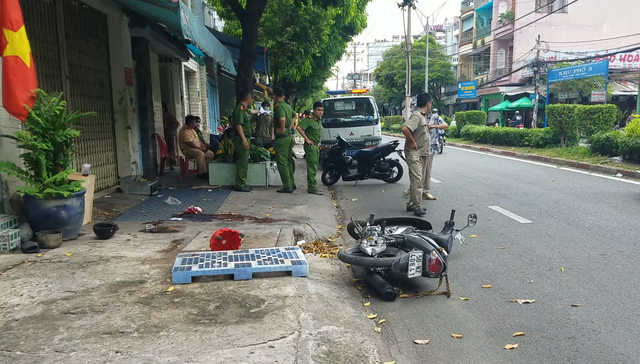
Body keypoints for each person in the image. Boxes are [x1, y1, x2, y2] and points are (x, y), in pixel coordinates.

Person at [402, 93, 432, 217]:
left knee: (417, 179)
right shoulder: (417, 115)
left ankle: (411, 203)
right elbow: (405, 128)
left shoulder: (422, 116)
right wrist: (412, 142)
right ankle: (417, 206)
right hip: (414, 153)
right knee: (417, 180)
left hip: (421, 153)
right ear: (428, 104)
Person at [297, 102, 324, 195]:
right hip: (311, 146)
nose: (320, 112)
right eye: (318, 110)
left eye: (322, 110)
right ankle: (312, 187)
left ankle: (313, 186)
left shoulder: (318, 120)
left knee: (314, 167)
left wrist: (319, 142)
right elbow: (299, 127)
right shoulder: (309, 120)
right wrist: (307, 139)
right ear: (314, 110)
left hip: (316, 146)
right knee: (312, 167)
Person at [273, 87, 296, 193]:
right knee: (288, 161)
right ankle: (292, 183)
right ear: (284, 96)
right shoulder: (287, 106)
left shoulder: (279, 107)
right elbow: (294, 116)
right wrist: (290, 127)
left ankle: (287, 186)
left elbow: (282, 119)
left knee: (282, 162)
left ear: (275, 96)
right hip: (289, 137)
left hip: (282, 138)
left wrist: (282, 129)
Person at [178, 115, 214, 179]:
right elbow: (189, 143)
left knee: (210, 154)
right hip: (187, 149)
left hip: (197, 148)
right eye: (194, 122)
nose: (195, 124)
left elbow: (198, 141)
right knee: (200, 153)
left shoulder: (193, 130)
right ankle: (202, 173)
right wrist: (200, 149)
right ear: (190, 123)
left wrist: (204, 146)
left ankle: (206, 171)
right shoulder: (184, 131)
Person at [232, 90, 254, 192]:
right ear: (248, 98)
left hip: (244, 138)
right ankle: (240, 184)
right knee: (242, 161)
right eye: (251, 99)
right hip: (241, 139)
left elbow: (251, 112)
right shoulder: (240, 110)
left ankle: (242, 182)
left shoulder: (244, 109)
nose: (251, 101)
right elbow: (239, 125)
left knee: (244, 161)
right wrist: (244, 139)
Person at [162, 102, 180, 169]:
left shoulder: (169, 115)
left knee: (170, 149)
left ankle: (172, 163)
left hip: (169, 135)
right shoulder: (161, 115)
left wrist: (171, 130)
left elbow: (177, 123)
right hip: (163, 133)